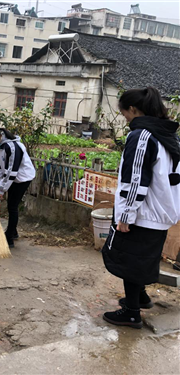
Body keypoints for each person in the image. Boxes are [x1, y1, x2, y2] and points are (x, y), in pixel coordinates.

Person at [101, 87, 180, 329]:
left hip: (142, 212)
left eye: (124, 113)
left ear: (133, 109)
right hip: (161, 211)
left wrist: (126, 215)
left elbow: (136, 180)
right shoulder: (167, 135)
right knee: (143, 258)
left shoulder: (142, 136)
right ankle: (141, 298)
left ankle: (131, 313)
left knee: (129, 260)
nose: (125, 119)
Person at [0, 123, 36, 247]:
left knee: (12, 206)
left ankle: (9, 238)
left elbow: (12, 171)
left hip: (22, 178)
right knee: (11, 205)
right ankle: (13, 231)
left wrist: (2, 189)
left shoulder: (13, 147)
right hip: (11, 178)